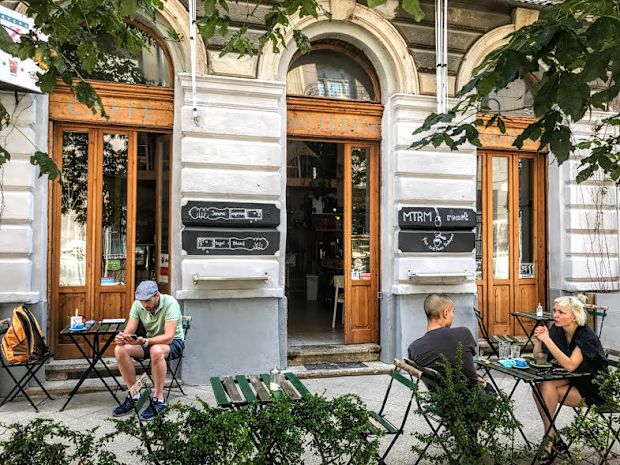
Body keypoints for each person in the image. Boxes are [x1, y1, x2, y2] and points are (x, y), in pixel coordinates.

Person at [532, 296, 609, 464]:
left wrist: (547, 340)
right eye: (554, 311)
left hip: (594, 388)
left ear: (574, 316)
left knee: (545, 387)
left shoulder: (585, 335)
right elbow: (540, 357)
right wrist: (538, 341)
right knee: (540, 385)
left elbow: (570, 365)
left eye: (561, 312)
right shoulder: (559, 329)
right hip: (574, 381)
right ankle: (551, 436)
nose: (555, 315)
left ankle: (549, 441)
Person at [112, 280, 185, 420]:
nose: (144, 305)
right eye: (141, 301)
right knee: (120, 350)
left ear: (157, 295)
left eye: (148, 301)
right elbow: (130, 329)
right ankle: (134, 394)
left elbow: (169, 337)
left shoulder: (171, 303)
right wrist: (123, 337)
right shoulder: (138, 305)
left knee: (156, 351)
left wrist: (146, 341)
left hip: (173, 343)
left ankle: (159, 399)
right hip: (149, 342)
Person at [408, 293, 493, 393]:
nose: (453, 316)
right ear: (445, 313)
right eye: (453, 312)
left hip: (441, 400)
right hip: (472, 400)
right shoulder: (463, 333)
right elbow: (469, 369)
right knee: (489, 388)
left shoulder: (413, 348)